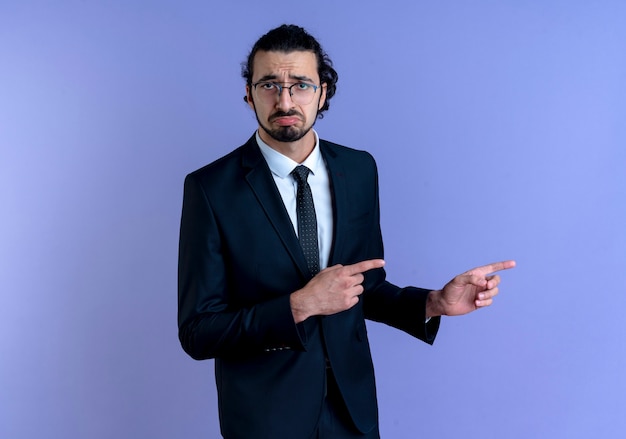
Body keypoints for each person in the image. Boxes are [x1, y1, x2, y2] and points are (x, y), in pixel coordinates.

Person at [178, 24, 515, 439]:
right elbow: (198, 331)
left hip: (352, 413)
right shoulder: (210, 188)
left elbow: (364, 288)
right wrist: (298, 305)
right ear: (249, 94)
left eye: (300, 84)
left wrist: (432, 303)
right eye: (269, 84)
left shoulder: (358, 170)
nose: (284, 99)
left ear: (322, 93)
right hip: (266, 419)